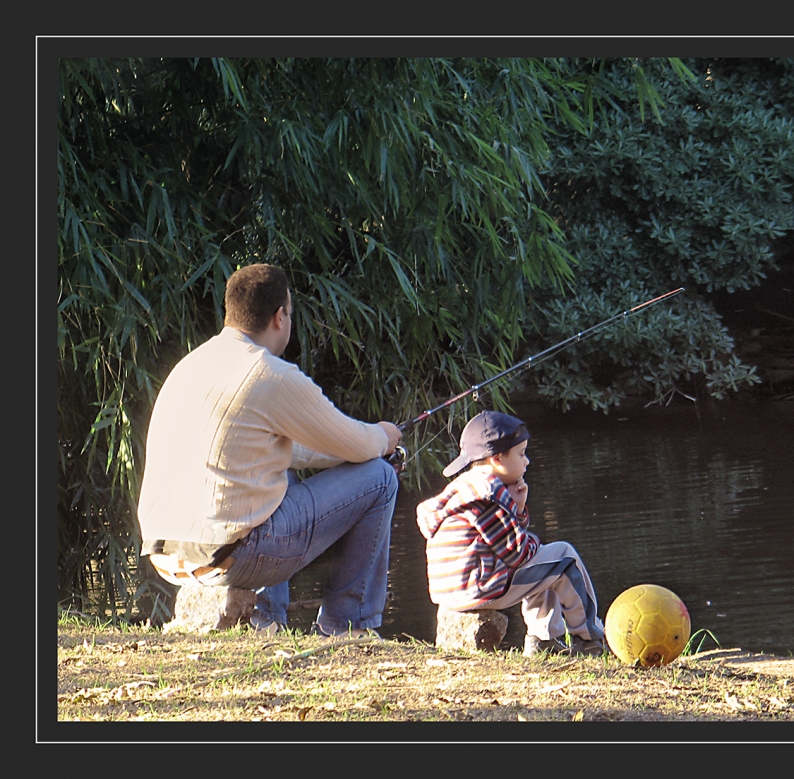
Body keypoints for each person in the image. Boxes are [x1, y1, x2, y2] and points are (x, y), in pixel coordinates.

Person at [138, 263, 403, 638]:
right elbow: (359, 443)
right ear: (280, 317)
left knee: (278, 471)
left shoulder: (189, 366)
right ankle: (347, 625)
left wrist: (356, 449)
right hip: (228, 558)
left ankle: (267, 621)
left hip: (166, 557)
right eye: (290, 314)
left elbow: (297, 451)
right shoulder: (269, 375)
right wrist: (385, 437)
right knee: (380, 478)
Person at [415, 410, 607, 656]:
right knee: (564, 558)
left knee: (547, 563)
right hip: (478, 587)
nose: (527, 461)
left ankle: (545, 640)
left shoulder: (465, 487)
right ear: (496, 458)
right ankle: (589, 640)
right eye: (521, 453)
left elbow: (504, 542)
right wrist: (528, 533)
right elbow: (518, 553)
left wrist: (515, 509)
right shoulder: (489, 493)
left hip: (452, 591)